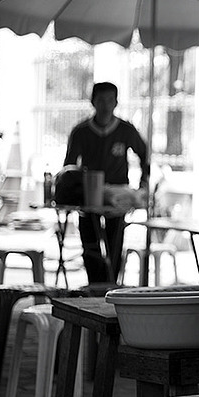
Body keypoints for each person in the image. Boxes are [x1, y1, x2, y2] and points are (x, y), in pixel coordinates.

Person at [63, 82, 149, 284]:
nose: (105, 105)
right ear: (93, 102)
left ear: (116, 102)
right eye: (101, 100)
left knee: (114, 244)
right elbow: (69, 167)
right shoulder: (81, 131)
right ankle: (94, 284)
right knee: (90, 244)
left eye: (110, 100)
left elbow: (144, 154)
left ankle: (110, 284)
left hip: (117, 198)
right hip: (89, 195)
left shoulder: (126, 130)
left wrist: (143, 184)